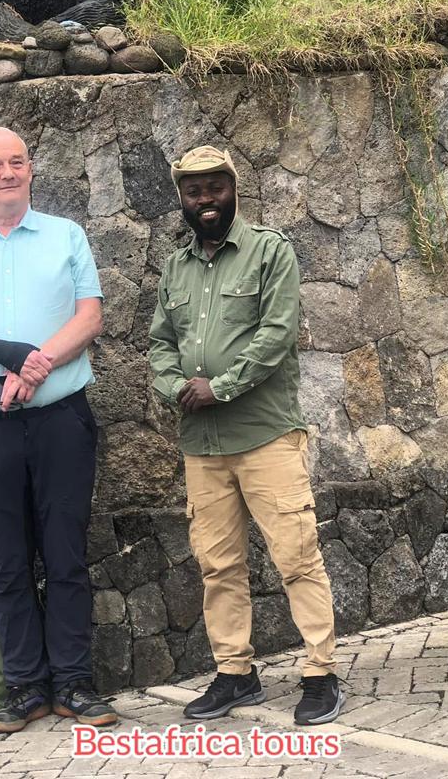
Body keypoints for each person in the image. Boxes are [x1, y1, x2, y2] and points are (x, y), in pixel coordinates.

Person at [0, 126, 116, 733]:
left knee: (66, 554)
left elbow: (90, 317)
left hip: (62, 422)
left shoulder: (67, 236)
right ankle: (25, 688)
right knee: (7, 562)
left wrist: (38, 363)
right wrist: (8, 350)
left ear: (31, 170)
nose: (7, 172)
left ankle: (74, 684)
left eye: (17, 162)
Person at [148, 145, 344, 725]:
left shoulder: (270, 252)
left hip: (265, 437)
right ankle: (235, 673)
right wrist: (174, 385)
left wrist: (221, 387)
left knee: (296, 555)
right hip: (202, 447)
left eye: (214, 187)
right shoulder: (175, 267)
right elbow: (161, 343)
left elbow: (277, 335)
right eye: (192, 190)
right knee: (218, 565)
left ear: (232, 188)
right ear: (182, 199)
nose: (204, 199)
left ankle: (320, 672)